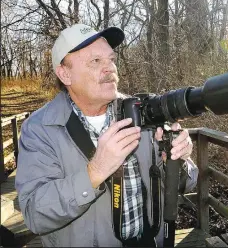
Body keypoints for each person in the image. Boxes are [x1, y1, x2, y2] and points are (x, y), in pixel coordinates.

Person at [15, 24, 198, 247]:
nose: (110, 68)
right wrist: (95, 171)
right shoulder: (39, 129)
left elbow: (186, 185)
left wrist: (178, 161)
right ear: (65, 73)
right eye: (95, 61)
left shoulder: (141, 111)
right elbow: (35, 214)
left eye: (111, 59)